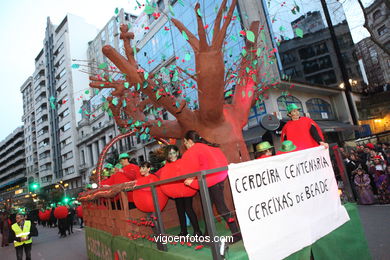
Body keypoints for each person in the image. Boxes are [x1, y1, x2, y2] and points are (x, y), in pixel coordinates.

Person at [182, 130, 241, 243]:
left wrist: (192, 182)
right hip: (216, 178)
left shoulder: (197, 148)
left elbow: (199, 167)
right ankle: (208, 234)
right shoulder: (209, 146)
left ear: (190, 141)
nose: (185, 145)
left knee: (221, 207)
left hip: (211, 180)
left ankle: (236, 233)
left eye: (185, 142)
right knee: (208, 207)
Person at [160, 145, 201, 236]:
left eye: (173, 153)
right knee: (180, 211)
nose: (172, 155)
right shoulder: (167, 166)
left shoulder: (183, 162)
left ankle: (197, 231)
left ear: (177, 153)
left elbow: (190, 171)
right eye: (169, 153)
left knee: (189, 209)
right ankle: (183, 231)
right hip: (176, 191)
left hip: (186, 189)